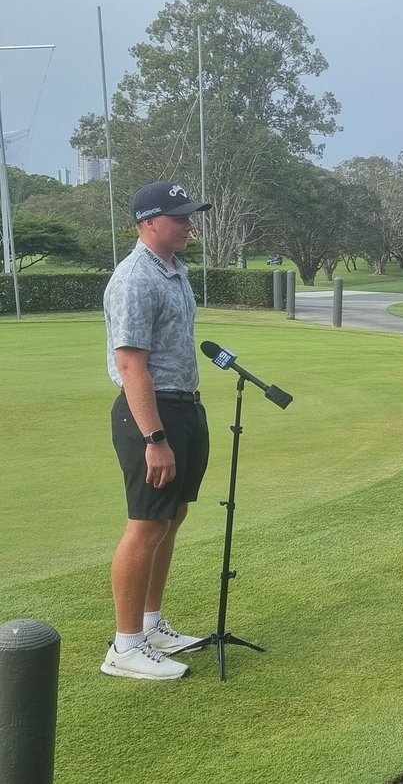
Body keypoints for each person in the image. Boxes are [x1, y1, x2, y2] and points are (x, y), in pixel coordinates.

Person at [101, 180, 213, 680]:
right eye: (180, 217)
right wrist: (155, 439)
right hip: (150, 413)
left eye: (190, 215)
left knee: (173, 517)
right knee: (146, 524)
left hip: (184, 407)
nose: (189, 224)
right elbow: (131, 368)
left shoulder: (174, 270)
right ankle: (124, 647)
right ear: (149, 222)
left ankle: (150, 624)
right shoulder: (134, 278)